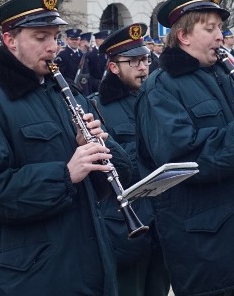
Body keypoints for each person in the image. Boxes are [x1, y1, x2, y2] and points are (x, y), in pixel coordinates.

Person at [0, 0, 131, 295]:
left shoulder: (67, 94)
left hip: (85, 263)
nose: (53, 47)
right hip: (33, 276)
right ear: (10, 41)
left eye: (55, 37)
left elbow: (115, 180)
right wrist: (65, 175)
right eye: (40, 37)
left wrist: (102, 149)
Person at [136, 0, 234, 296]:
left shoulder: (221, 75)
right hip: (205, 248)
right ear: (184, 35)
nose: (221, 36)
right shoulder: (160, 88)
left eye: (220, 27)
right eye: (210, 28)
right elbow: (183, 158)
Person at [91, 24, 169, 296]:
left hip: (161, 219)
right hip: (125, 224)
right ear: (114, 67)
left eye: (145, 59)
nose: (143, 67)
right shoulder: (97, 107)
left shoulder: (156, 99)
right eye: (133, 61)